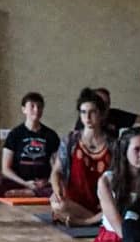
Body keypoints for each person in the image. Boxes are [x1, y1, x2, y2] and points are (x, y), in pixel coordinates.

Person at [83, 125, 140, 242]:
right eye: (137, 150)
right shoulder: (107, 181)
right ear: (125, 151)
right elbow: (115, 221)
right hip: (116, 236)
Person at [47, 89, 116, 226]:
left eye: (92, 112)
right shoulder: (71, 140)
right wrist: (57, 191)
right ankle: (99, 220)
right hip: (75, 204)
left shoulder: (113, 144)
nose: (87, 117)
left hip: (103, 202)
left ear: (101, 114)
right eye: (83, 112)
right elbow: (57, 171)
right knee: (58, 204)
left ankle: (86, 221)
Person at [0, 91, 56, 198]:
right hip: (19, 181)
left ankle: (30, 193)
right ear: (24, 109)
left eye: (39, 107)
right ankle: (31, 192)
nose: (36, 110)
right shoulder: (14, 134)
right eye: (32, 106)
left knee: (63, 187)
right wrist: (25, 183)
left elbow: (57, 166)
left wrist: (48, 181)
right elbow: (5, 169)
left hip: (42, 183)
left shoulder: (51, 135)